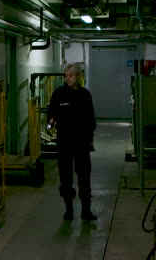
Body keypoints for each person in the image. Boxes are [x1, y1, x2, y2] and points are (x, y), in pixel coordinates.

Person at [47, 63, 97, 221]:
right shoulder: (58, 94)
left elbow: (91, 119)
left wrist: (90, 139)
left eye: (71, 75)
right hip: (64, 142)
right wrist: (51, 121)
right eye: (65, 75)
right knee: (65, 176)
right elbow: (51, 113)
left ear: (78, 76)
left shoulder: (85, 95)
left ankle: (86, 210)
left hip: (81, 142)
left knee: (84, 175)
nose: (67, 78)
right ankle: (68, 210)